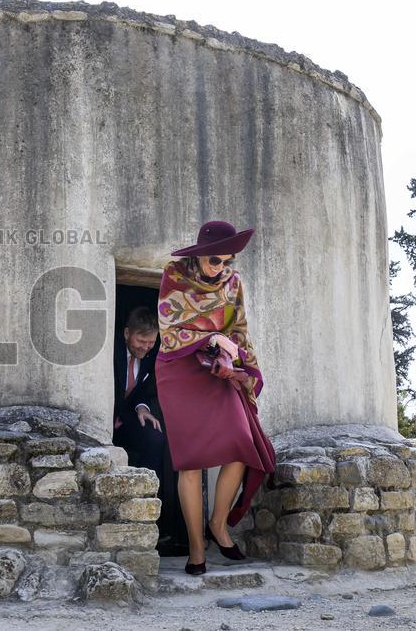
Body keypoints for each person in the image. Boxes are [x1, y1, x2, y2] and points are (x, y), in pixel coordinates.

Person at [155, 220, 276, 576]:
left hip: (217, 370)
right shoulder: (174, 274)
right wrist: (211, 338)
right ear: (201, 255)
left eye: (228, 261)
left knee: (242, 444)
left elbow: (238, 329)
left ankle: (218, 524)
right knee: (190, 462)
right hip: (179, 370)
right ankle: (196, 549)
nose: (221, 268)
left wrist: (250, 368)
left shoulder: (233, 283)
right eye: (215, 261)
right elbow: (169, 328)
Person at [112, 306, 165, 475]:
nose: (145, 347)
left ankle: (144, 492)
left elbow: (145, 390)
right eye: (141, 341)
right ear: (127, 334)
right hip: (104, 419)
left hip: (125, 420)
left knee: (155, 438)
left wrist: (142, 407)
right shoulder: (111, 351)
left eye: (151, 342)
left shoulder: (151, 355)